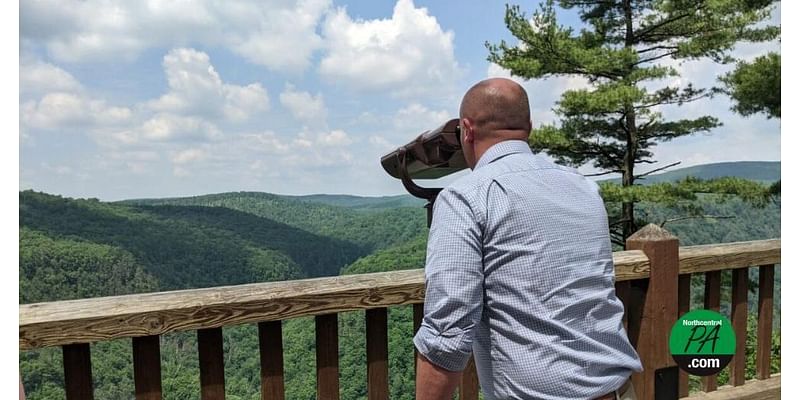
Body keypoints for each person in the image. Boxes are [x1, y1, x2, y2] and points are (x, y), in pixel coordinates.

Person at [413, 78, 643, 400]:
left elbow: (447, 334)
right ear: (529, 128)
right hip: (620, 390)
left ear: (467, 130)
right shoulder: (583, 186)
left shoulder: (466, 197)